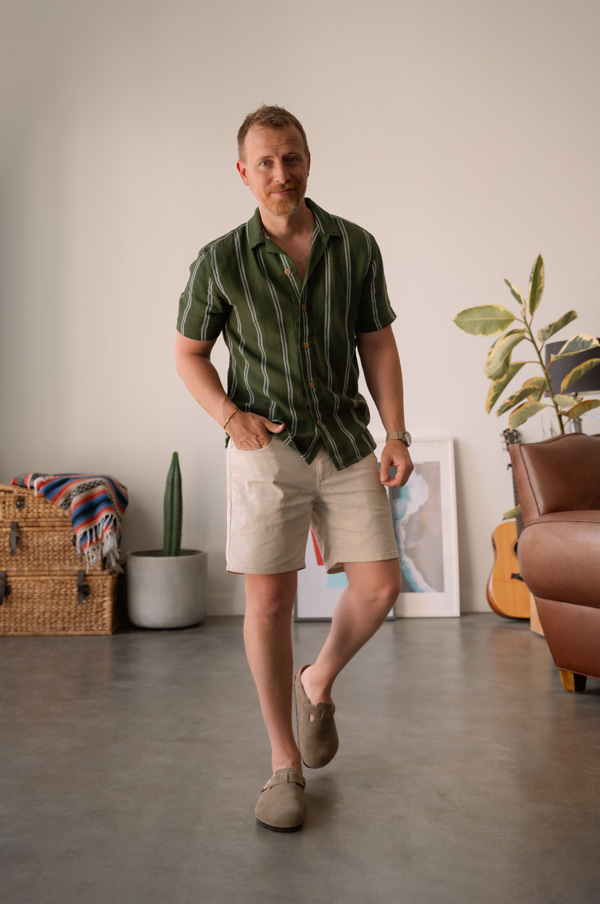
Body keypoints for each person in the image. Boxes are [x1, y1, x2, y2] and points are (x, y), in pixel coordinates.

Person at [174, 105, 413, 833]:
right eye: (268, 162)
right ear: (244, 173)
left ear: (309, 161)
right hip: (265, 450)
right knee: (270, 605)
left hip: (344, 439)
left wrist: (396, 433)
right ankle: (284, 764)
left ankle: (318, 679)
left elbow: (378, 345)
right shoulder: (219, 260)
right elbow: (189, 354)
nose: (283, 173)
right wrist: (229, 416)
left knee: (378, 588)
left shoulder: (355, 246)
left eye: (294, 157)